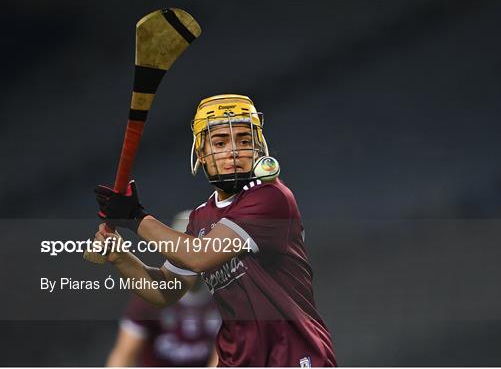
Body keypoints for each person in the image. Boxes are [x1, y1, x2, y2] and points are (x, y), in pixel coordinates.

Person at [93, 94, 337, 366]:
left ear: (258, 148)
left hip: (293, 358)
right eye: (220, 143)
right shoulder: (200, 218)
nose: (234, 151)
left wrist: (135, 218)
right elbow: (163, 290)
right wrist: (121, 258)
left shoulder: (271, 198)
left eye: (244, 140)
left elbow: (200, 256)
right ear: (201, 154)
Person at [106, 212, 220, 367]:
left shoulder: (228, 297)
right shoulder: (150, 296)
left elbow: (222, 359)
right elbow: (123, 356)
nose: (191, 256)